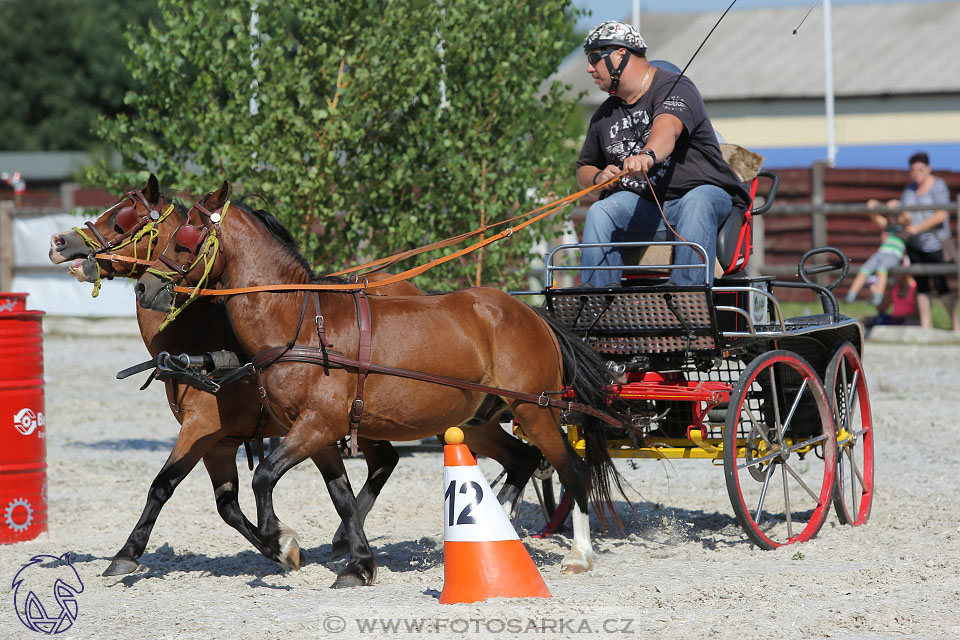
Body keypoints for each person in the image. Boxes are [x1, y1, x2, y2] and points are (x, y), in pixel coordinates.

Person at [576, 20, 749, 288]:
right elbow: (584, 168)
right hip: (648, 209)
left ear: (620, 55)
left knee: (697, 199)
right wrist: (598, 177)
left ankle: (688, 298)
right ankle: (597, 307)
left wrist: (648, 154)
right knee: (601, 211)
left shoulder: (676, 86)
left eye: (594, 58)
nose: (589, 68)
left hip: (706, 198)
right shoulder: (604, 114)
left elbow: (667, 127)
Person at [888, 152, 955, 330]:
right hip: (915, 245)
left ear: (928, 168)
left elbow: (941, 215)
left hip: (935, 244)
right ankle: (927, 327)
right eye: (913, 170)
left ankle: (955, 325)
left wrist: (917, 228)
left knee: (941, 286)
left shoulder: (938, 185)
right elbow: (904, 215)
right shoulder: (909, 189)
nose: (916, 173)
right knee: (922, 286)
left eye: (920, 169)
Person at [845, 201, 910, 307]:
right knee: (864, 269)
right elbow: (871, 205)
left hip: (895, 253)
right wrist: (884, 206)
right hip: (882, 252)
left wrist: (896, 207)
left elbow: (906, 216)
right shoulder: (887, 225)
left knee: (882, 269)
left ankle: (878, 296)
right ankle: (851, 295)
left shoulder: (906, 227)